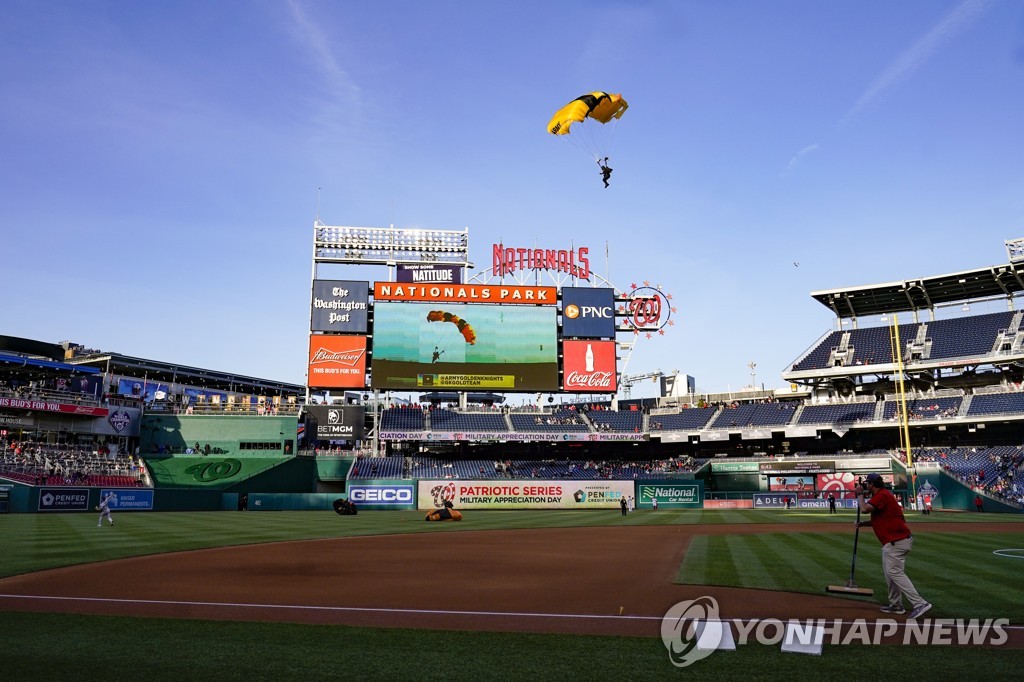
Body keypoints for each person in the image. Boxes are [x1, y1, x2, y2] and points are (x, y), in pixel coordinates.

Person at [854, 473, 931, 619]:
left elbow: (864, 509)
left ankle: (920, 603)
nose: (866, 486)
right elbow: (881, 519)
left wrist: (859, 495)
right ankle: (896, 605)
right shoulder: (882, 496)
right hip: (895, 541)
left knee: (894, 572)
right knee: (890, 573)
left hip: (897, 541)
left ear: (872, 484)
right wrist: (863, 524)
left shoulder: (882, 495)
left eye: (867, 484)